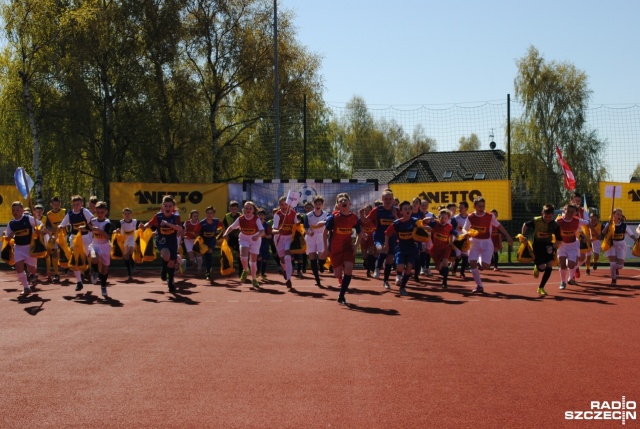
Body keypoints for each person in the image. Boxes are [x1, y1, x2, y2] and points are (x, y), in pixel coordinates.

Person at [462, 197, 513, 293]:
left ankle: (481, 261)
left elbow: (499, 226)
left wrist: (508, 236)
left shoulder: (489, 216)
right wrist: (466, 233)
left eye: (483, 206)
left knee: (485, 266)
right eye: (479, 206)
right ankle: (479, 286)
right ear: (474, 206)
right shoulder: (471, 216)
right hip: (475, 242)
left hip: (486, 243)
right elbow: (465, 228)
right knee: (472, 262)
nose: (481, 208)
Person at [322, 193, 364, 306]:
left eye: (345, 200)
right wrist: (325, 249)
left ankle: (341, 295)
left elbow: (360, 234)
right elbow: (325, 233)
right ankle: (339, 274)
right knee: (337, 274)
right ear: (338, 206)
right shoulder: (334, 218)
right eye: (341, 201)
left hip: (347, 247)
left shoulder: (354, 218)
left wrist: (355, 246)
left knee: (349, 269)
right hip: (335, 249)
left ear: (350, 203)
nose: (343, 202)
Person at [140, 195, 183, 293]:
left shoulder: (175, 217)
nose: (168, 208)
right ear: (162, 206)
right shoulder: (158, 216)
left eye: (170, 206)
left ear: (173, 207)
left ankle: (170, 282)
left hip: (172, 239)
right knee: (166, 256)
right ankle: (164, 268)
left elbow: (179, 228)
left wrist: (168, 224)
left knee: (172, 261)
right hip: (162, 239)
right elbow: (150, 224)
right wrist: (143, 227)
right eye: (166, 206)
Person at [4, 201, 47, 296]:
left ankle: (34, 275)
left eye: (17, 210)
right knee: (19, 268)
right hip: (18, 248)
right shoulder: (11, 223)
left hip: (29, 248)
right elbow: (7, 238)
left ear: (22, 210)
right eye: (13, 210)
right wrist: (10, 235)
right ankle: (26, 287)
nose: (15, 212)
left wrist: (39, 229)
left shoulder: (28, 219)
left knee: (32, 268)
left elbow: (41, 225)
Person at [360, 188, 399, 289]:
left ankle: (386, 281)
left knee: (390, 260)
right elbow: (365, 221)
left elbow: (400, 223)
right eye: (386, 198)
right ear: (382, 199)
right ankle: (377, 267)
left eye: (390, 199)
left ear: (393, 199)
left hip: (392, 237)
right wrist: (361, 215)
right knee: (382, 250)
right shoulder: (377, 210)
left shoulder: (396, 210)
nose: (388, 200)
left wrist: (395, 216)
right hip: (379, 236)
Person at [223, 200, 265, 289]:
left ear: (253, 209)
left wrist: (257, 236)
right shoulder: (241, 218)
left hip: (255, 239)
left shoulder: (256, 219)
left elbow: (262, 231)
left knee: (253, 262)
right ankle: (245, 270)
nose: (248, 210)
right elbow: (231, 227)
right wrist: (226, 233)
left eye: (250, 208)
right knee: (243, 257)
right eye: (246, 208)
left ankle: (254, 279)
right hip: (244, 238)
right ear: (244, 209)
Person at [521, 204, 561, 296]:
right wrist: (523, 235)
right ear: (542, 213)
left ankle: (541, 287)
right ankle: (537, 267)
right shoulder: (536, 221)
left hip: (548, 246)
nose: (547, 218)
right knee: (542, 268)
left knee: (549, 265)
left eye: (550, 217)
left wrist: (553, 246)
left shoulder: (554, 225)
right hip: (537, 246)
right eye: (546, 216)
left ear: (553, 215)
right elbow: (525, 225)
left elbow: (559, 239)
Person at [384, 201, 421, 296]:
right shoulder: (397, 223)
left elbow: (423, 231)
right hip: (400, 247)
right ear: (401, 211)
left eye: (409, 208)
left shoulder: (415, 221)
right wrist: (386, 244)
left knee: (408, 268)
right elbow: (387, 233)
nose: (408, 210)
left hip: (412, 247)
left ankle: (402, 287)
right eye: (405, 209)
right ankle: (399, 275)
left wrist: (427, 229)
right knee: (400, 266)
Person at [58, 195, 94, 291]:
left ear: (81, 204)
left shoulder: (84, 211)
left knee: (85, 257)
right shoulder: (70, 214)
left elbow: (93, 220)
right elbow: (63, 223)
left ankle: (86, 271)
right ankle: (79, 282)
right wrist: (60, 227)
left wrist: (87, 228)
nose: (76, 206)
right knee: (75, 260)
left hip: (85, 238)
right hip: (74, 238)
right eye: (74, 204)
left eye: (77, 204)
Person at [555, 203, 591, 290]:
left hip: (573, 245)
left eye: (572, 212)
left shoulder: (577, 220)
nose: (570, 213)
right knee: (562, 264)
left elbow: (588, 223)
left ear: (575, 213)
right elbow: (550, 228)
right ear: (564, 211)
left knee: (571, 265)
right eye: (568, 211)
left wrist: (594, 233)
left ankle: (570, 278)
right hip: (562, 245)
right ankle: (563, 282)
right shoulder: (558, 221)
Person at [602, 208, 638, 286]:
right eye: (617, 214)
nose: (619, 216)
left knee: (620, 265)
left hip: (621, 244)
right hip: (611, 244)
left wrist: (636, 239)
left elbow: (631, 234)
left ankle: (616, 268)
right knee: (612, 263)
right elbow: (603, 232)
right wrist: (609, 224)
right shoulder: (609, 223)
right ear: (613, 215)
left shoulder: (624, 225)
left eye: (620, 215)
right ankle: (613, 280)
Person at [272, 196, 299, 289]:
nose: (284, 206)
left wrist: (299, 224)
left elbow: (296, 225)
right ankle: (284, 270)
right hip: (279, 238)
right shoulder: (277, 215)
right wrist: (278, 231)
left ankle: (288, 279)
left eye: (286, 204)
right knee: (283, 260)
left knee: (287, 257)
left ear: (289, 204)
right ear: (279, 205)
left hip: (289, 238)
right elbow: (273, 230)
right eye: (282, 204)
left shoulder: (293, 213)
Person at [425, 208, 456, 288]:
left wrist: (461, 237)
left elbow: (455, 233)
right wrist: (430, 218)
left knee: (445, 262)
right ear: (439, 217)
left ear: (448, 219)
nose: (443, 219)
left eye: (445, 218)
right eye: (442, 217)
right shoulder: (435, 223)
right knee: (438, 268)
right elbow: (424, 221)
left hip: (445, 248)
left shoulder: (449, 227)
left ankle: (444, 282)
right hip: (435, 249)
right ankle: (443, 272)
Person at [88, 201, 112, 296]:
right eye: (98, 212)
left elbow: (107, 236)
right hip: (95, 244)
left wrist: (98, 230)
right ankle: (95, 273)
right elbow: (88, 227)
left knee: (105, 270)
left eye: (102, 212)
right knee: (94, 258)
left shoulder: (107, 223)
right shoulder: (93, 221)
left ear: (106, 212)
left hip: (105, 246)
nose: (100, 214)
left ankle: (103, 286)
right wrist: (83, 228)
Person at [304, 196, 329, 286]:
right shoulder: (308, 215)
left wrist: (324, 224)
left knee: (322, 255)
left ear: (322, 205)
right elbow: (306, 227)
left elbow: (329, 223)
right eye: (316, 203)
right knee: (312, 257)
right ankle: (317, 279)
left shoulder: (326, 215)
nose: (318, 205)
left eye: (320, 204)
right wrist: (308, 232)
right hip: (311, 237)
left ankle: (321, 264)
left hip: (322, 236)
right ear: (313, 204)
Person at [45, 196, 66, 283]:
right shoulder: (49, 214)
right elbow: (48, 227)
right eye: (54, 205)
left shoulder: (64, 212)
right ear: (51, 205)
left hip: (64, 236)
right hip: (55, 236)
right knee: (55, 254)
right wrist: (53, 230)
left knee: (66, 253)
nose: (56, 206)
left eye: (57, 204)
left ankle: (67, 266)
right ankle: (56, 274)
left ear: (60, 204)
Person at [199, 206, 220, 281]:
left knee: (209, 251)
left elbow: (222, 225)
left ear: (213, 214)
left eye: (211, 213)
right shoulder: (202, 223)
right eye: (208, 213)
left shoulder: (216, 221)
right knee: (206, 255)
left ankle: (208, 271)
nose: (209, 215)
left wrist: (224, 234)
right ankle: (208, 267)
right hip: (204, 241)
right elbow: (197, 231)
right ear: (205, 214)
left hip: (211, 240)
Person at [223, 201, 242, 277]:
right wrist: (225, 234)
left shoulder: (241, 216)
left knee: (240, 254)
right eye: (232, 208)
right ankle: (229, 269)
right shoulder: (227, 216)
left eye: (235, 208)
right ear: (229, 209)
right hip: (230, 236)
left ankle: (241, 271)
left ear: (237, 209)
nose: (233, 210)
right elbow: (224, 226)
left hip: (238, 237)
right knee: (228, 252)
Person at [452, 201, 470, 278]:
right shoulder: (455, 218)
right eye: (458, 207)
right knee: (458, 257)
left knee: (465, 256)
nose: (459, 209)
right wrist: (457, 234)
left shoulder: (469, 218)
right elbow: (452, 229)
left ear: (466, 208)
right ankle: (454, 269)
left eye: (461, 207)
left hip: (466, 240)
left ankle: (462, 272)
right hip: (457, 240)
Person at [119, 208, 138, 280]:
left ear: (131, 214)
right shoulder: (121, 222)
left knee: (130, 251)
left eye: (128, 214)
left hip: (132, 238)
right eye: (125, 214)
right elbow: (118, 231)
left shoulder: (135, 221)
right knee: (125, 255)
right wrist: (116, 231)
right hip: (125, 239)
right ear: (123, 215)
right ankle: (129, 271)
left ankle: (132, 264)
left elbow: (138, 229)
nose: (127, 215)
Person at [359, 204, 377, 278]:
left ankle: (369, 269)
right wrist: (362, 235)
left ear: (371, 211)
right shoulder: (361, 220)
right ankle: (368, 263)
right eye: (365, 210)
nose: (366, 212)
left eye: (368, 210)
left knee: (371, 252)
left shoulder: (374, 219)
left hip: (371, 238)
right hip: (363, 238)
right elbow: (358, 229)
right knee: (364, 255)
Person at [256, 208, 272, 280]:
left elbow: (270, 236)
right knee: (259, 257)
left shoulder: (267, 225)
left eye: (262, 215)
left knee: (264, 259)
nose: (261, 216)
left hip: (265, 244)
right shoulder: (255, 224)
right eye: (259, 215)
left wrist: (265, 236)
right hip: (257, 243)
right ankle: (258, 271)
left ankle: (263, 273)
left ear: (265, 216)